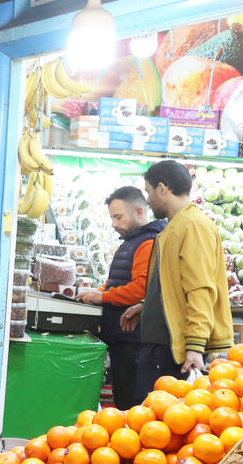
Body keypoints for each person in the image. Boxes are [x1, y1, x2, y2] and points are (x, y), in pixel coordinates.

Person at [121, 161, 233, 392]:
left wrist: (195, 345)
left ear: (163, 189)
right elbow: (173, 283)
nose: (148, 200)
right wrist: (147, 306)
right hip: (163, 345)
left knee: (161, 411)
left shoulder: (192, 225)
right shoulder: (176, 225)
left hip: (173, 351)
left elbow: (200, 288)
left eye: (149, 192)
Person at [76, 187, 165, 409]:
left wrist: (102, 297)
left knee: (130, 404)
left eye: (118, 217)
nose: (113, 224)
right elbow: (116, 281)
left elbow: (140, 290)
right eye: (112, 217)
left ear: (139, 212)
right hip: (122, 339)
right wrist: (95, 292)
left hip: (134, 339)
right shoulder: (131, 241)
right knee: (122, 399)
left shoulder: (148, 243)